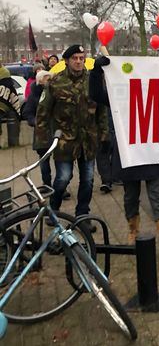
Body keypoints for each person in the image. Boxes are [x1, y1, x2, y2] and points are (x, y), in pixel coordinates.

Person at [89, 54, 159, 254]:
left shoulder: (157, 92)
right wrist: (96, 71)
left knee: (157, 195)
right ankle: (133, 232)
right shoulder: (116, 94)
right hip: (129, 153)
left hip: (152, 152)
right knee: (131, 196)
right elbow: (95, 93)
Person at [35, 45, 109, 231]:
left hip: (88, 140)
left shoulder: (92, 81)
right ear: (66, 61)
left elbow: (101, 111)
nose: (78, 61)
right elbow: (42, 114)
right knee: (63, 178)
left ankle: (82, 215)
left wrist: (105, 135)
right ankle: (53, 209)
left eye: (81, 58)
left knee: (88, 179)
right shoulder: (55, 82)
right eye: (74, 58)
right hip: (64, 141)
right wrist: (42, 143)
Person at [23, 70, 56, 189]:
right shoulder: (34, 95)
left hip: (55, 130)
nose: (49, 81)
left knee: (59, 160)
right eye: (47, 79)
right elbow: (27, 112)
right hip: (41, 133)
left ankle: (60, 187)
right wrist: (35, 122)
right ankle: (47, 184)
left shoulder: (54, 92)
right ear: (40, 81)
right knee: (44, 161)